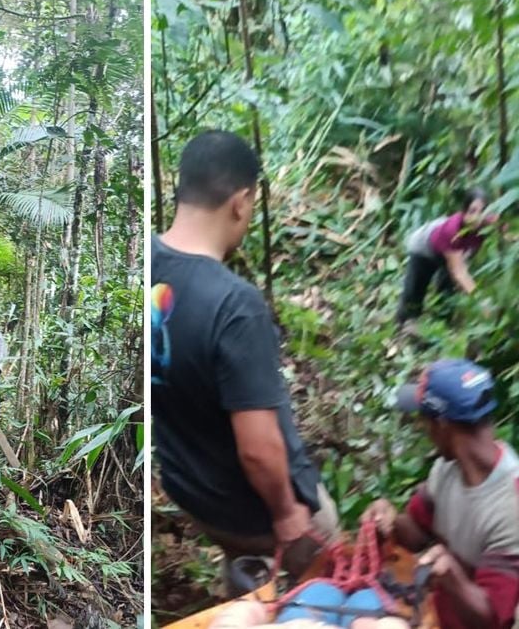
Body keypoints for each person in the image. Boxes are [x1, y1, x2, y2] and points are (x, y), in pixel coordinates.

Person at [151, 130, 336, 593]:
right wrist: (289, 516)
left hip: (196, 493)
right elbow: (258, 448)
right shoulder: (235, 303)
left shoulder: (148, 263)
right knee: (327, 582)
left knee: (249, 581)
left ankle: (247, 589)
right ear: (241, 200)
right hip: (253, 509)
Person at [363, 359, 519, 629]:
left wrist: (453, 578)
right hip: (439, 617)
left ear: (442, 424)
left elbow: (493, 618)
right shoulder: (446, 469)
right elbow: (417, 533)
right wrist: (389, 519)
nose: (423, 429)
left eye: (424, 420)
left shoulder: (510, 504)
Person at [396, 188, 498, 328]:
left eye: (481, 212)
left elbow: (508, 232)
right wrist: (481, 301)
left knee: (447, 291)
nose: (477, 217)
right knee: (415, 291)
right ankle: (405, 326)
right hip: (424, 247)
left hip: (451, 254)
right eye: (472, 211)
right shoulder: (453, 230)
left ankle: (442, 325)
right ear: (464, 212)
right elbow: (460, 271)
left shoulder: (487, 224)